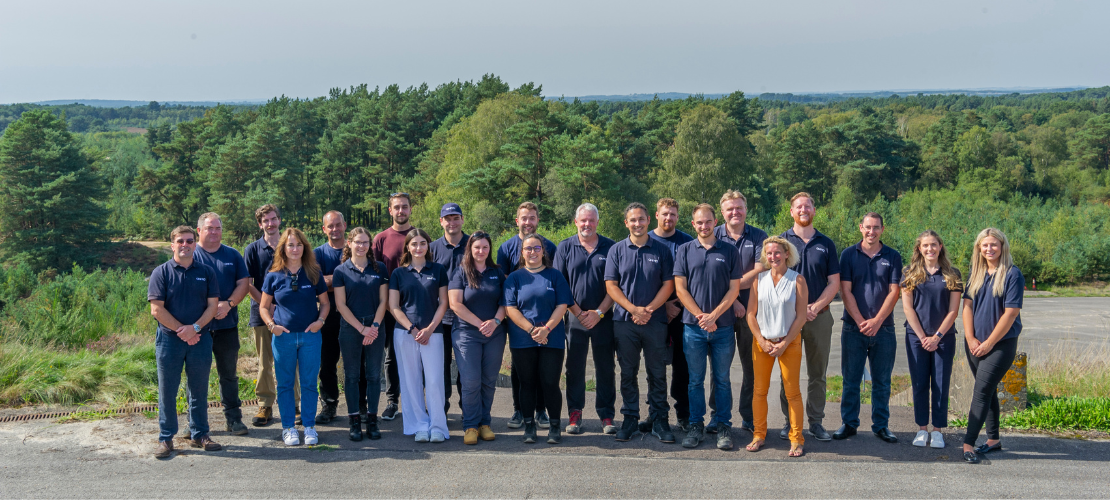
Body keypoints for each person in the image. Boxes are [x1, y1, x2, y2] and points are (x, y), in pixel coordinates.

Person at [605, 202, 676, 443]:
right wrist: (633, 309)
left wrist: (649, 309)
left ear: (649, 220)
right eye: (632, 220)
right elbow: (611, 286)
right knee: (628, 373)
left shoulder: (662, 251)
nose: (637, 224)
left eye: (641, 219)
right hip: (625, 322)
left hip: (655, 322)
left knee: (657, 373)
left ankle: (659, 419)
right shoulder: (616, 250)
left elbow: (669, 284)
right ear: (626, 223)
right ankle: (630, 418)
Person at [148, 226, 221, 458]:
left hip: (200, 339)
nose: (185, 245)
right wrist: (183, 331)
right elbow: (156, 310)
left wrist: (195, 329)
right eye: (180, 241)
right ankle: (166, 438)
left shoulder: (207, 272)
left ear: (194, 244)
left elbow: (213, 306)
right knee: (167, 390)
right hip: (169, 341)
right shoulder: (161, 273)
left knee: (199, 389)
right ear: (173, 245)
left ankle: (200, 434)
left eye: (190, 241)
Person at [673, 204, 741, 450]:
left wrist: (714, 315)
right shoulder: (684, 250)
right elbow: (680, 288)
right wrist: (701, 316)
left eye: (708, 221)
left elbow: (734, 289)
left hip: (723, 328)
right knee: (695, 380)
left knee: (722, 379)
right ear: (694, 225)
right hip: (693, 328)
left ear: (715, 222)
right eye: (699, 223)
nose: (704, 226)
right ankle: (695, 425)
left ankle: (723, 425)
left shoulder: (730, 251)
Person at [835, 212, 904, 444]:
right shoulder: (848, 254)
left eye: (876, 228)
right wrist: (861, 320)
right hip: (853, 329)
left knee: (882, 381)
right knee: (851, 379)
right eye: (867, 227)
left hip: (884, 329)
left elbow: (895, 291)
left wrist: (876, 322)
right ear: (860, 227)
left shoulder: (892, 256)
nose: (871, 232)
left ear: (882, 229)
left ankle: (881, 426)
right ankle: (849, 424)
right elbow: (845, 290)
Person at [259, 228, 330, 447]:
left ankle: (309, 426)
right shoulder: (273, 275)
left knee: (309, 383)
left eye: (299, 245)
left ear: (304, 248)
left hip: (310, 337)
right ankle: (288, 427)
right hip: (284, 338)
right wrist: (272, 326)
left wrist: (320, 321)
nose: (295, 249)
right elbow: (263, 307)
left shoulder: (313, 273)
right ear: (283, 248)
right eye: (290, 245)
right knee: (285, 385)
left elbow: (325, 303)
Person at [779, 192, 840, 442]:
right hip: (787, 317)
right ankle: (789, 422)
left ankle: (815, 422)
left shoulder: (826, 243)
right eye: (798, 207)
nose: (803, 210)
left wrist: (815, 306)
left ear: (814, 211)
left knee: (818, 373)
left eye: (808, 206)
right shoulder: (781, 242)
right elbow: (773, 278)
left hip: (819, 316)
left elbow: (834, 283)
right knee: (788, 374)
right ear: (791, 212)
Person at [960, 228, 1024, 464]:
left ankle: (968, 443)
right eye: (985, 245)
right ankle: (993, 440)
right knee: (987, 390)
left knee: (981, 392)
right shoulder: (975, 273)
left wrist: (988, 343)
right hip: (975, 344)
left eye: (994, 245)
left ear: (1002, 246)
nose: (989, 249)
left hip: (1000, 345)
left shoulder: (1012, 274)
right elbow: (966, 307)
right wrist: (970, 338)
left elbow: (1010, 314)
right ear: (979, 248)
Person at [707, 190, 767, 436]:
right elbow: (710, 273)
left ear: (746, 209)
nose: (735, 212)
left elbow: (761, 268)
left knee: (750, 366)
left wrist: (735, 287)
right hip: (720, 311)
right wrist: (732, 301)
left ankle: (748, 415)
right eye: (730, 209)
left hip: (751, 309)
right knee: (718, 368)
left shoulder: (759, 236)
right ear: (722, 212)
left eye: (739, 208)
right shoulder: (712, 234)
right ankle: (716, 416)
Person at [553, 203, 616, 435]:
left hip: (603, 317)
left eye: (591, 220)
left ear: (597, 222)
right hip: (574, 317)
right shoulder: (565, 247)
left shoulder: (611, 247)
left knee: (606, 367)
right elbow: (561, 285)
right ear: (576, 222)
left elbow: (615, 286)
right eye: (583, 221)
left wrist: (598, 313)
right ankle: (575, 412)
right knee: (574, 367)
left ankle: (607, 415)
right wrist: (579, 313)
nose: (587, 224)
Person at [504, 233, 573, 444]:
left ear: (543, 251)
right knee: (527, 383)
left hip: (551, 338)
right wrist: (532, 330)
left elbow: (563, 305)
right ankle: (529, 427)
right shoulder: (514, 278)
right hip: (522, 339)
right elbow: (510, 308)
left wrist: (546, 330)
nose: (532, 252)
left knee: (550, 382)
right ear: (522, 253)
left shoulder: (555, 276)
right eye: (528, 249)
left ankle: (554, 427)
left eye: (536, 248)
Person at [745, 236, 809, 457]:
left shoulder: (797, 280)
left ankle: (796, 440)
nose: (773, 257)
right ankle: (759, 435)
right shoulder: (758, 279)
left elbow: (801, 317)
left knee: (793, 393)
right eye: (769, 253)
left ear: (787, 254)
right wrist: (762, 341)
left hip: (789, 343)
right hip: (761, 343)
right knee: (760, 391)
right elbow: (750, 315)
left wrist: (784, 342)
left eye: (777, 253)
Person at [496, 202, 556, 429]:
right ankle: (519, 410)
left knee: (543, 367)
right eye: (524, 218)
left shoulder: (549, 246)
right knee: (520, 368)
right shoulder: (506, 248)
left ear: (537, 220)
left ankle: (541, 411)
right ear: (517, 221)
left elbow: (554, 278)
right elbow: (503, 284)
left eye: (532, 218)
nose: (528, 222)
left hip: (545, 318)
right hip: (517, 318)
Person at [901, 230, 963, 449]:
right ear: (919, 248)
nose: (930, 249)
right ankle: (921, 429)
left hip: (943, 339)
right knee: (919, 384)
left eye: (934, 245)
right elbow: (908, 308)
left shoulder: (952, 274)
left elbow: (953, 311)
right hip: (916, 338)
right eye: (925, 245)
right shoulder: (909, 272)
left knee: (940, 384)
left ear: (940, 246)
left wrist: (936, 337)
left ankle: (937, 430)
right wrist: (922, 337)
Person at [388, 228, 450, 443]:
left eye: (423, 243)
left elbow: (444, 302)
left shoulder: (438, 270)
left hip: (433, 333)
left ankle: (437, 426)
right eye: (414, 244)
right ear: (407, 247)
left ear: (428, 246)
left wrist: (431, 328)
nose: (418, 247)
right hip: (405, 334)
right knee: (410, 381)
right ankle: (419, 425)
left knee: (434, 381)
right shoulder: (398, 273)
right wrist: (412, 329)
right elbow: (394, 306)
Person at [191, 212, 250, 436]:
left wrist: (230, 304)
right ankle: (194, 422)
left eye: (217, 228)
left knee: (229, 375)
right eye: (209, 228)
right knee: (197, 376)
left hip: (227, 327)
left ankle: (234, 419)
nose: (214, 232)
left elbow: (244, 283)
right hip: (198, 329)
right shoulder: (191, 254)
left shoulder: (232, 255)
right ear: (199, 231)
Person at [448, 231, 507, 445]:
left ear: (489, 249)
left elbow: (505, 303)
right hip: (467, 334)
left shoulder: (497, 272)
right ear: (470, 249)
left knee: (488, 381)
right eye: (476, 247)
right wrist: (480, 324)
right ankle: (470, 425)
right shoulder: (461, 272)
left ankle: (485, 423)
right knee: (471, 381)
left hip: (495, 334)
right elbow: (455, 304)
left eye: (484, 247)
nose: (481, 251)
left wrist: (495, 322)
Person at [333, 227, 389, 441]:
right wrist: (361, 328)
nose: (362, 246)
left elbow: (384, 301)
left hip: (376, 326)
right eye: (358, 242)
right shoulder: (341, 271)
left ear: (370, 245)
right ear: (349, 243)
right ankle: (354, 421)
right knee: (352, 376)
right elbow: (340, 304)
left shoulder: (380, 268)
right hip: (351, 329)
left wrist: (373, 326)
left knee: (374, 375)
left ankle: (372, 420)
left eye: (365, 242)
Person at [244, 204, 298, 426]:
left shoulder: (291, 247)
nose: (270, 223)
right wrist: (268, 305)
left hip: (290, 315)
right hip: (261, 314)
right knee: (265, 362)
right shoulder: (252, 249)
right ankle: (265, 405)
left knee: (290, 361)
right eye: (266, 220)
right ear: (260, 224)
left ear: (279, 220)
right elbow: (247, 284)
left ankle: (294, 404)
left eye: (273, 219)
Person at [648, 197, 695, 433]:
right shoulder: (645, 239)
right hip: (652, 313)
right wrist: (661, 305)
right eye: (664, 213)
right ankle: (655, 412)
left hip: (680, 312)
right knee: (653, 364)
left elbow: (691, 277)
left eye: (673, 214)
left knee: (682, 365)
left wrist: (673, 304)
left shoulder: (687, 241)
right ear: (656, 215)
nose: (668, 218)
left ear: (678, 216)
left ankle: (683, 414)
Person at [372, 192, 413, 421]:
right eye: (396, 207)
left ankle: (414, 400)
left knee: (416, 356)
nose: (401, 211)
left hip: (415, 307)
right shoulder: (381, 239)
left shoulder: (417, 236)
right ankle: (391, 401)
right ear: (390, 210)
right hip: (388, 308)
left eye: (404, 207)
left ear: (410, 209)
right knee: (391, 356)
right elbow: (376, 275)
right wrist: (386, 305)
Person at [429, 203, 469, 412]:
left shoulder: (474, 245)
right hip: (440, 318)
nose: (452, 222)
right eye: (448, 218)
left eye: (456, 218)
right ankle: (440, 409)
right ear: (441, 221)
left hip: (466, 318)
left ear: (462, 219)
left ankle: (467, 410)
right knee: (441, 366)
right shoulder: (432, 248)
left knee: (466, 367)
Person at [314, 210, 349, 424]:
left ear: (345, 225)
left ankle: (360, 404)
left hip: (354, 315)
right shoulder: (317, 253)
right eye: (330, 226)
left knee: (357, 362)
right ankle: (329, 403)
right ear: (324, 229)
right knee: (327, 363)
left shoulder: (355, 248)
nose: (335, 229)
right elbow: (316, 283)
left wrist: (331, 280)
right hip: (327, 315)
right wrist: (345, 278)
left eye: (338, 224)